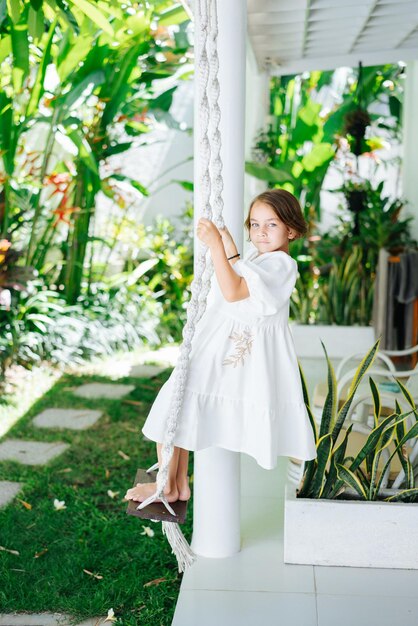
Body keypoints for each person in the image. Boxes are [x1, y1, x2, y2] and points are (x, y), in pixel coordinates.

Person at [124, 189, 317, 505]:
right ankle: (176, 483)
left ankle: (168, 486)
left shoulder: (282, 265)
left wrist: (216, 245)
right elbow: (241, 268)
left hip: (233, 355)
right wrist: (226, 241)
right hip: (221, 347)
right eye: (254, 225)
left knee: (175, 407)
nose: (261, 232)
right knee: (180, 409)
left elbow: (233, 290)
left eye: (272, 225)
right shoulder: (261, 258)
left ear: (291, 230)